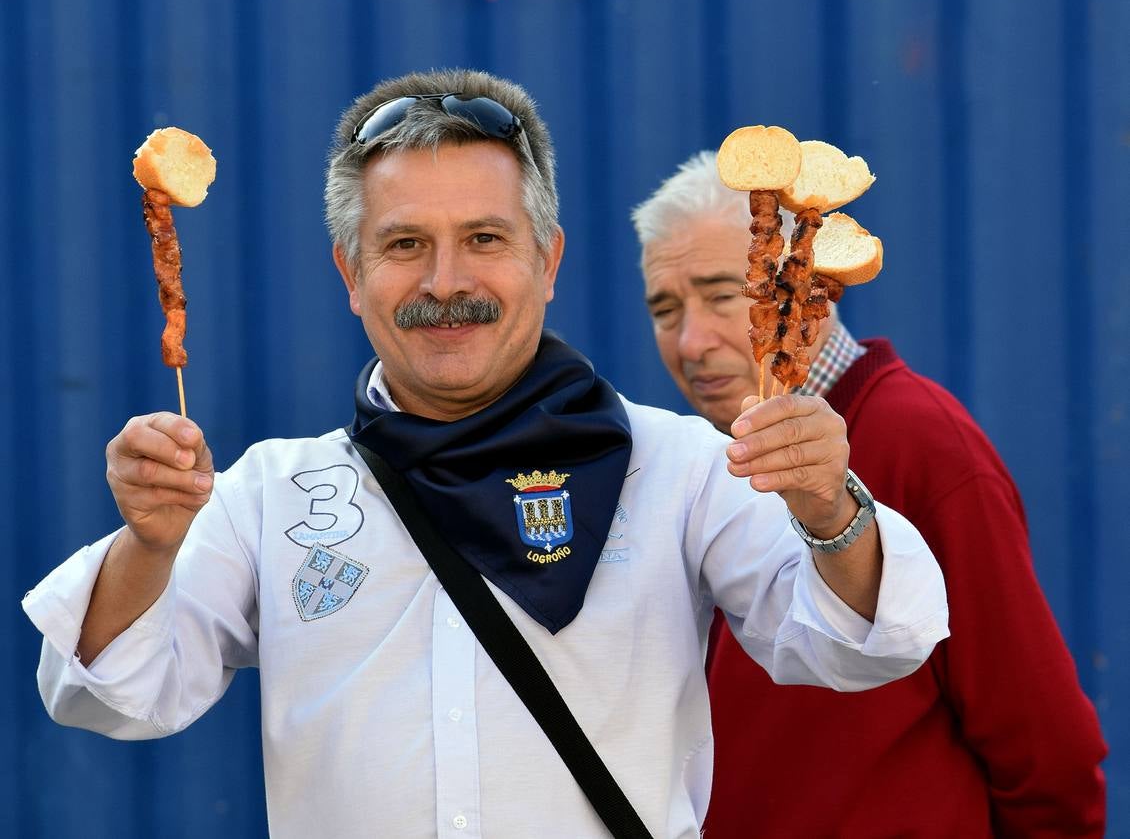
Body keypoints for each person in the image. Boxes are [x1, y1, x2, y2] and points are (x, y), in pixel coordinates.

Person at [23, 71, 948, 839]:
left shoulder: (681, 469)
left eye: (485, 239)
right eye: (404, 244)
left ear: (548, 261)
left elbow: (864, 648)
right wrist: (147, 543)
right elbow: (111, 696)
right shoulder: (272, 494)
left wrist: (832, 509)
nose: (446, 281)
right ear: (352, 276)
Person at [632, 150, 1108, 838]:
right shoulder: (699, 464)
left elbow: (1044, 741)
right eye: (665, 308)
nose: (690, 341)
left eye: (722, 294)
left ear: (803, 285)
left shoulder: (921, 442)